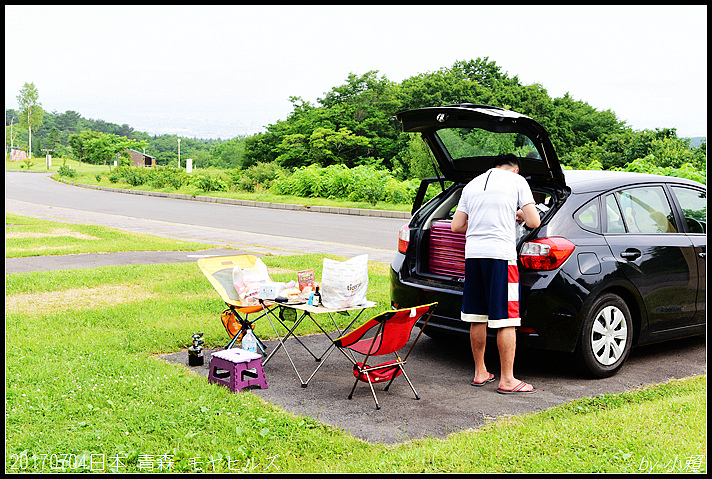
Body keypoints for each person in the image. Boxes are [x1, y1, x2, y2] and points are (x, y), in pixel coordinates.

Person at [451, 154, 541, 394]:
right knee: (506, 319)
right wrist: (517, 214)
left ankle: (480, 372)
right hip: (500, 256)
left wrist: (482, 223)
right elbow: (534, 221)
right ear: (516, 169)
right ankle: (507, 380)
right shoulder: (517, 182)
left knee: (477, 315)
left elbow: (457, 226)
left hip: (474, 255)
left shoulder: (472, 185)